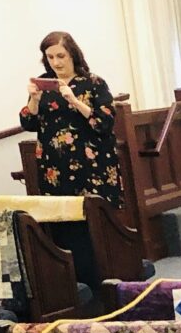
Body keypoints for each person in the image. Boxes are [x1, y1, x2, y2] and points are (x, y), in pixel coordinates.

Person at [18, 31, 123, 206]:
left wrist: (75, 101)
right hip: (55, 166)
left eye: (60, 56)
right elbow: (28, 123)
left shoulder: (93, 82)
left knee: (95, 219)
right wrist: (34, 101)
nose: (56, 62)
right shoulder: (43, 83)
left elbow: (105, 122)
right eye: (50, 57)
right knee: (62, 222)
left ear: (72, 55)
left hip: (92, 165)